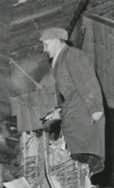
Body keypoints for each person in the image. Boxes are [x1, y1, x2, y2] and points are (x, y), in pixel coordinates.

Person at [39, 26, 106, 175]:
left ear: (56, 41)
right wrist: (59, 112)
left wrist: (95, 108)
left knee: (82, 158)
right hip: (74, 117)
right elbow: (73, 94)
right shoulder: (59, 62)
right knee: (73, 164)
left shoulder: (72, 55)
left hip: (84, 116)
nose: (44, 50)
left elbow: (87, 81)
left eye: (46, 45)